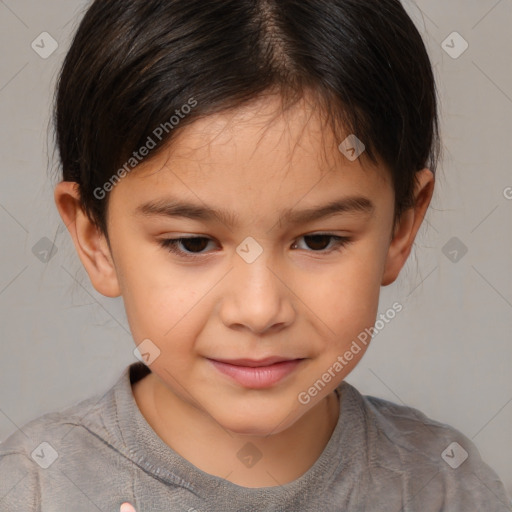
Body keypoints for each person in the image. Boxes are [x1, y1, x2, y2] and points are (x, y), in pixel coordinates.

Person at [1, 0, 510, 510]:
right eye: (193, 243)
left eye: (318, 240)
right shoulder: (36, 490)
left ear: (401, 228)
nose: (260, 310)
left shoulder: (445, 487)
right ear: (96, 240)